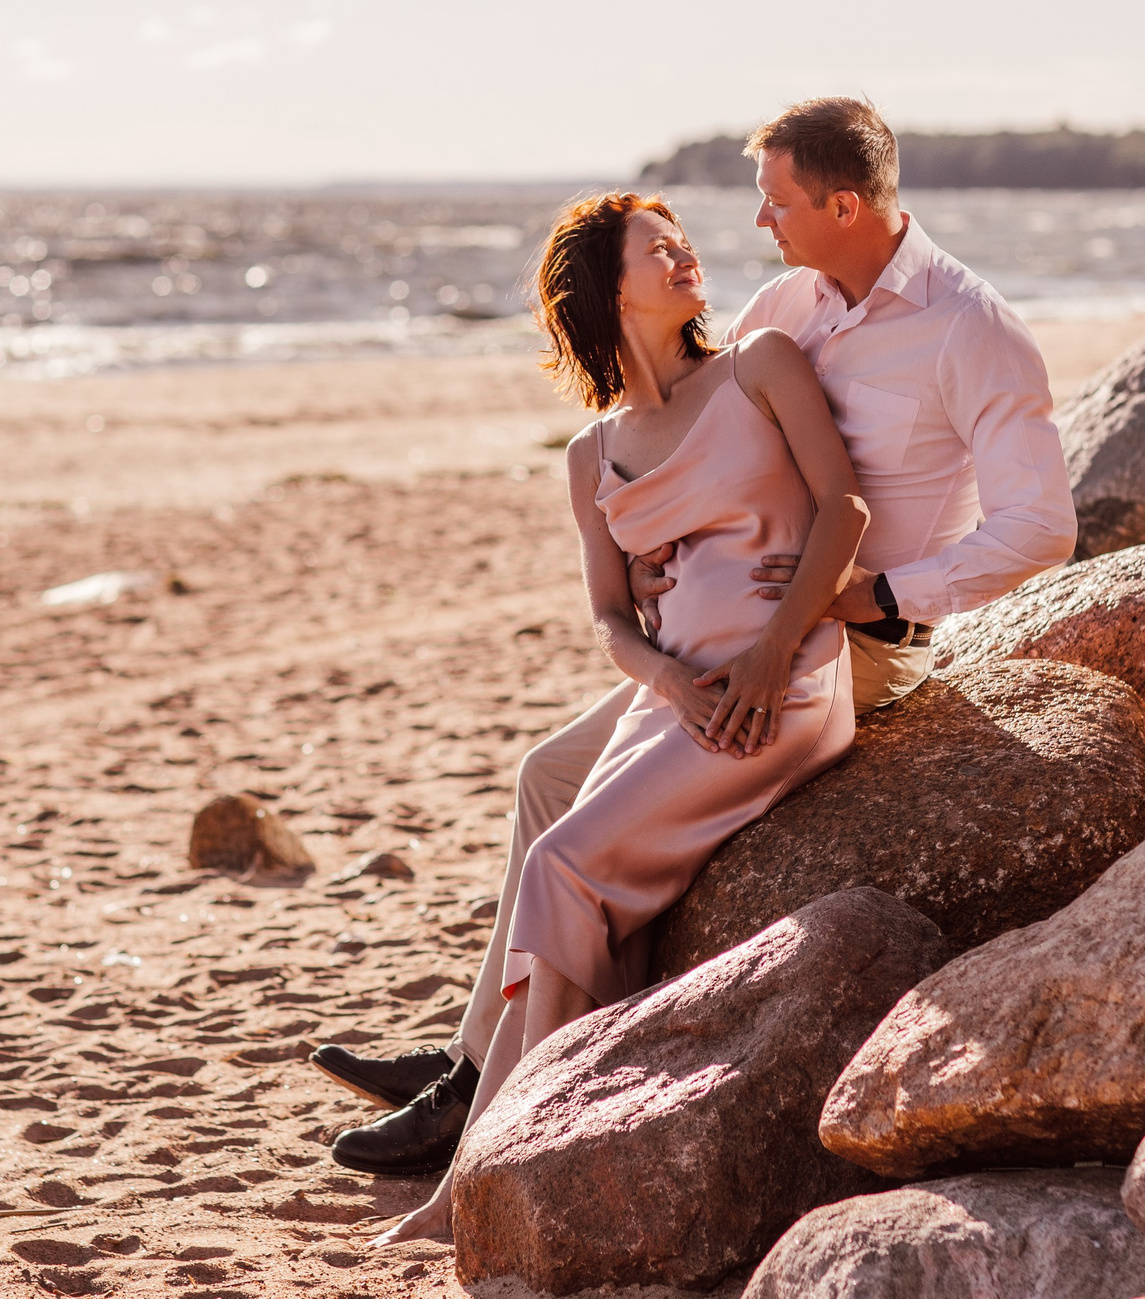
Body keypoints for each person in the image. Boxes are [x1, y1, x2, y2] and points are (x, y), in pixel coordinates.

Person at [315, 96, 1077, 1179]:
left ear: (843, 203)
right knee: (544, 777)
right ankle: (473, 1053)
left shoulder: (970, 328)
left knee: (576, 841)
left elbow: (1040, 526)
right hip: (731, 615)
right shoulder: (788, 305)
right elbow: (707, 429)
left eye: (775, 202)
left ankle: (488, 1093)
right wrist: (672, 542)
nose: (756, 225)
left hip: (854, 635)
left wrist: (883, 594)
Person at [369, 187, 871, 1245]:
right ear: (609, 291)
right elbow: (607, 618)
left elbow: (844, 508)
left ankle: (495, 1148)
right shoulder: (592, 455)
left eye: (682, 242)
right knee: (549, 796)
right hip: (680, 682)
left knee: (562, 865)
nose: (685, 256)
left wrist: (770, 653)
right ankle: (496, 1100)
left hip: (780, 675)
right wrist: (668, 678)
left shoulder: (760, 364)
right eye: (657, 249)